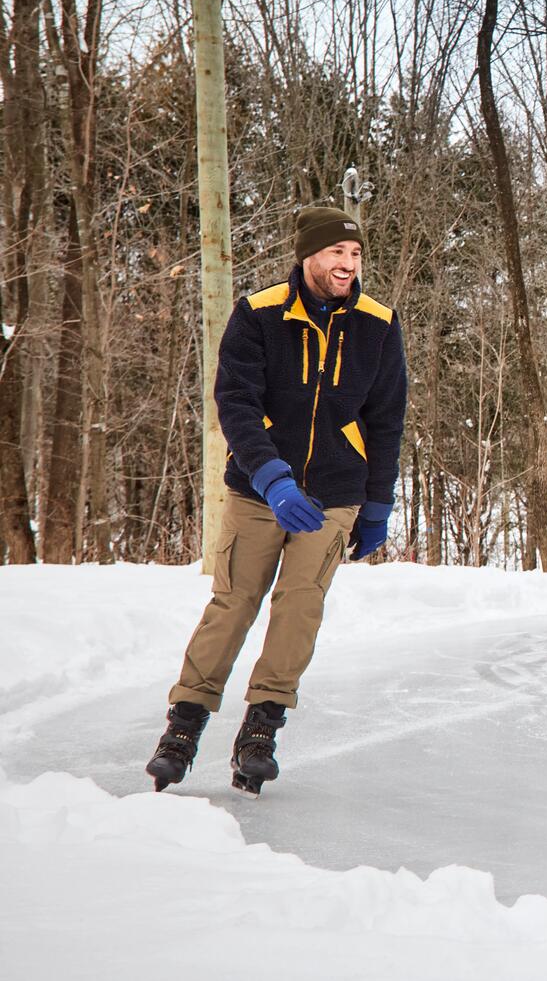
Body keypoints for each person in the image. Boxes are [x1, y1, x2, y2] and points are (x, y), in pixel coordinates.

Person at [145, 206, 407, 798]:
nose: (347, 264)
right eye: (336, 253)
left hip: (336, 492)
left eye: (356, 254)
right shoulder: (258, 314)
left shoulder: (378, 324)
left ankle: (262, 727)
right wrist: (271, 476)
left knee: (299, 606)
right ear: (308, 256)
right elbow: (235, 401)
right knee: (233, 602)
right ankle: (184, 725)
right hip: (262, 491)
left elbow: (386, 419)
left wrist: (377, 502)